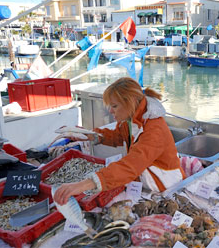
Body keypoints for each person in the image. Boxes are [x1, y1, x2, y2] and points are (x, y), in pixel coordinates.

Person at [54, 77, 185, 205]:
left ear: (131, 102)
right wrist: (91, 135)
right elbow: (118, 135)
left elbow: (131, 165)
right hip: (143, 176)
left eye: (115, 106)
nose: (110, 111)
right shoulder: (131, 119)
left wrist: (84, 184)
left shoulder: (154, 130)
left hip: (163, 183)